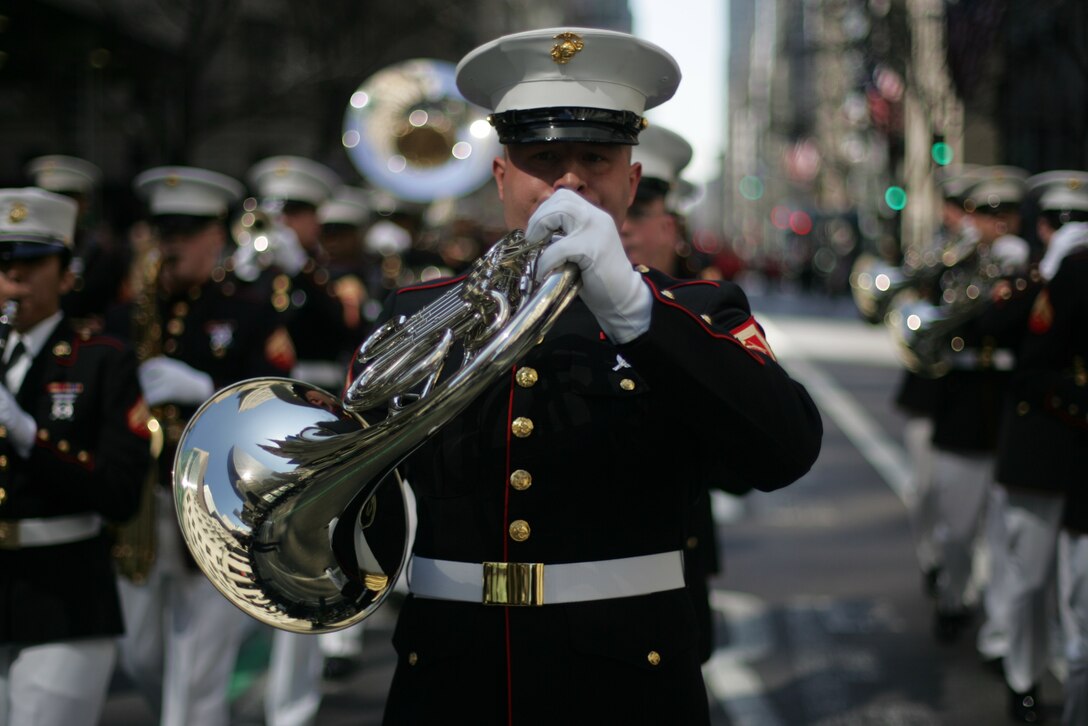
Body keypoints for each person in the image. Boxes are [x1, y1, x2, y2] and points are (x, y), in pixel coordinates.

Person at [351, 28, 822, 725]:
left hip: (624, 686)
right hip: (450, 679)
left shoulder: (696, 312)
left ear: (632, 180)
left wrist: (633, 310)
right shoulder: (423, 312)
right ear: (502, 175)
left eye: (596, 158)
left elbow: (785, 448)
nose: (570, 180)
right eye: (543, 158)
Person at [108, 166, 295, 726]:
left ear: (218, 234)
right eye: (166, 231)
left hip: (216, 500)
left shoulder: (248, 312)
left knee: (199, 674)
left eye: (187, 231)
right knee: (139, 653)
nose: (174, 245)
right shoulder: (125, 316)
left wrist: (205, 392)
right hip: (142, 503)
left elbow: (275, 411)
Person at [0, 187, 150, 725]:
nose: (14, 275)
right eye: (3, 261)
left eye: (33, 261)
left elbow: (118, 492)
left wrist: (24, 433)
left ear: (67, 275)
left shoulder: (101, 359)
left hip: (66, 595)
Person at [621, 122, 752, 664]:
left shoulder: (710, 305)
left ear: (671, 222)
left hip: (675, 536)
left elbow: (748, 462)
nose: (620, 227)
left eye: (637, 212)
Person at [989, 170, 1088, 722]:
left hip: (1079, 461)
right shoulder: (1039, 279)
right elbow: (1021, 358)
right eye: (1066, 222)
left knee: (1080, 596)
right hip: (1041, 450)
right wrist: (1033, 285)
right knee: (1028, 580)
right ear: (1045, 228)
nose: (1076, 232)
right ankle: (1023, 676)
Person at [924, 166, 1033, 644]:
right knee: (957, 525)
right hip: (964, 406)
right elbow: (940, 321)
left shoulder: (1033, 270)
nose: (999, 223)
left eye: (1007, 213)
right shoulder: (956, 264)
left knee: (1009, 534)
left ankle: (1000, 635)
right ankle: (952, 596)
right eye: (989, 214)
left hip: (1012, 407)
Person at [25, 155, 131, 326]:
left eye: (65, 199)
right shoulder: (23, 252)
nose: (55, 208)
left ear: (84, 204)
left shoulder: (104, 255)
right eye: (47, 199)